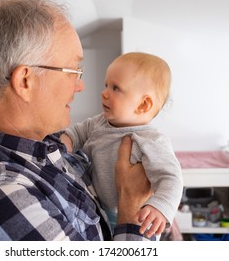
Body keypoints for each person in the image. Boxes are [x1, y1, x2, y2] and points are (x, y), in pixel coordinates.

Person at [0, 0, 154, 241]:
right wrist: (131, 206)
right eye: (72, 70)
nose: (80, 85)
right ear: (26, 81)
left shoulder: (47, 145)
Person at [60, 52, 183, 238]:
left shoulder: (151, 140)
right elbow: (75, 134)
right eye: (106, 85)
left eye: (116, 88)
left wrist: (159, 206)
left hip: (139, 218)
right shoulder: (99, 122)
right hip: (98, 211)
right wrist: (62, 145)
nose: (104, 92)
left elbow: (171, 178)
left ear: (143, 105)